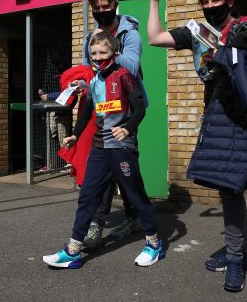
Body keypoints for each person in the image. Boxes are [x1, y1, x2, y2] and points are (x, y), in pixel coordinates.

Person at [147, 0, 247, 292]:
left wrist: (229, 55)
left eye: (216, 0)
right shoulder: (197, 32)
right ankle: (234, 250)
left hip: (244, 115)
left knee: (232, 186)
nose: (211, 7)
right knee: (227, 188)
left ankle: (236, 258)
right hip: (216, 113)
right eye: (206, 2)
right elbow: (155, 37)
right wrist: (155, 1)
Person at [42, 31, 164, 269]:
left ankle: (154, 244)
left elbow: (139, 108)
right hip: (99, 149)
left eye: (103, 53)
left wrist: (128, 129)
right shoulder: (95, 82)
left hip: (122, 148)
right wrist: (75, 135)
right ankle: (73, 250)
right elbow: (87, 111)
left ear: (115, 53)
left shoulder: (125, 76)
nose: (98, 58)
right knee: (87, 197)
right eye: (94, 54)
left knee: (136, 197)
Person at [77, 0, 147, 249]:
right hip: (102, 109)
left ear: (116, 4)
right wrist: (79, 84)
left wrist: (107, 47)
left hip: (126, 111)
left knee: (125, 169)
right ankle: (97, 223)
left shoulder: (129, 33)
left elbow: (129, 66)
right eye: (97, 8)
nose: (101, 12)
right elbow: (88, 71)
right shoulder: (89, 36)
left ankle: (136, 216)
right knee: (106, 166)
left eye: (106, 6)